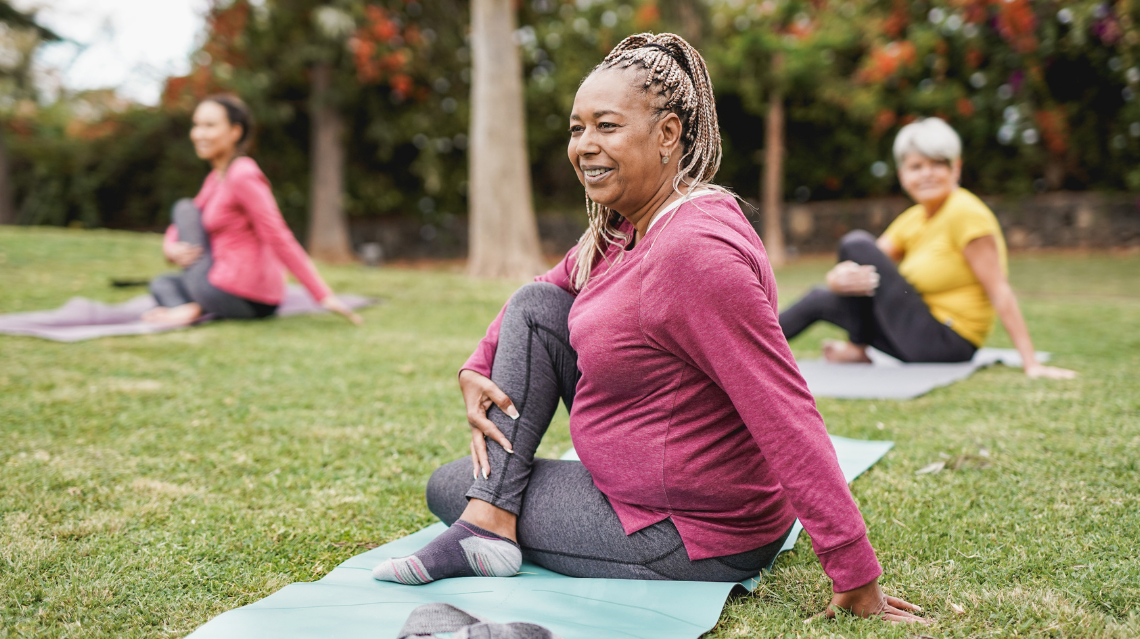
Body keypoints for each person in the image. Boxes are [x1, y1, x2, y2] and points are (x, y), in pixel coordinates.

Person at [372, 34, 928, 625]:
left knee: (448, 485)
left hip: (688, 530)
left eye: (606, 126)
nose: (585, 145)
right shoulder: (625, 226)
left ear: (667, 135)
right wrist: (477, 364)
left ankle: (487, 522)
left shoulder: (693, 252)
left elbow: (783, 407)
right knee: (536, 308)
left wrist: (855, 573)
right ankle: (490, 520)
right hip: (649, 494)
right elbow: (545, 290)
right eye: (576, 128)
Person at [779, 117, 1074, 379]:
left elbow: (999, 289)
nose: (927, 174)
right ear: (902, 174)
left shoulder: (965, 213)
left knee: (854, 241)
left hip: (947, 340)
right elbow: (866, 263)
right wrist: (837, 279)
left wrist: (1031, 363)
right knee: (820, 297)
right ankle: (743, 357)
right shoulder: (915, 218)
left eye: (937, 164)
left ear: (956, 167)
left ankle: (857, 348)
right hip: (912, 333)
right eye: (916, 166)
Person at [143, 95, 361, 326]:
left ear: (235, 132)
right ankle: (192, 307)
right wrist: (170, 248)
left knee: (183, 207)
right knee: (162, 283)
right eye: (196, 125)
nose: (198, 134)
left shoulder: (242, 174)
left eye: (209, 125)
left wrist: (323, 295)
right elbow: (184, 222)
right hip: (227, 289)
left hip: (240, 293)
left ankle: (192, 307)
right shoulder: (216, 179)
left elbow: (278, 235)